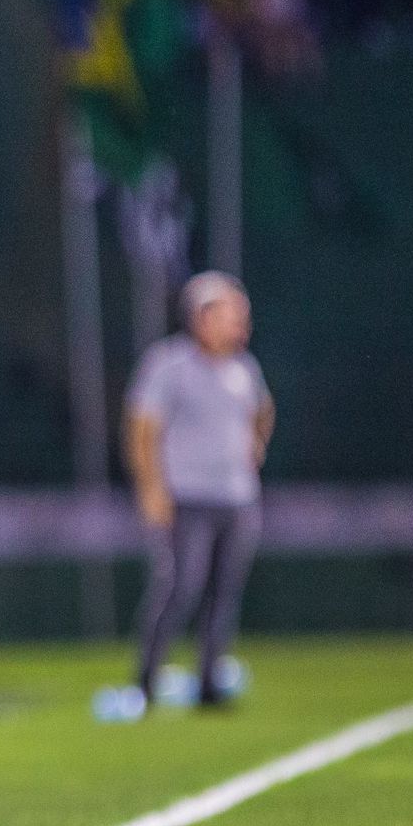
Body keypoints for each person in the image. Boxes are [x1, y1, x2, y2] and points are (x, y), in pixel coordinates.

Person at [125, 271, 274, 709]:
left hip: (237, 497)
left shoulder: (244, 368)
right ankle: (147, 679)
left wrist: (256, 445)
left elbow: (263, 411)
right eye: (232, 315)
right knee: (181, 588)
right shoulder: (169, 365)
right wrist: (151, 489)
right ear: (202, 317)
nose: (242, 324)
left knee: (224, 592)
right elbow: (142, 429)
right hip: (187, 498)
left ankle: (209, 682)